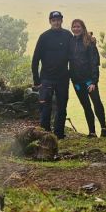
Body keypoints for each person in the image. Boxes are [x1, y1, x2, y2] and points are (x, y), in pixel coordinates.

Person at [31, 11, 72, 139]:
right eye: (54, 20)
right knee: (45, 107)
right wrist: (37, 80)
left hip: (63, 78)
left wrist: (90, 40)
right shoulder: (44, 37)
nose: (56, 22)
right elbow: (35, 59)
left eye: (58, 19)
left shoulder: (67, 35)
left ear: (62, 20)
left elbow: (78, 47)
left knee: (62, 107)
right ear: (50, 21)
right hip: (46, 78)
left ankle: (59, 134)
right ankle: (44, 133)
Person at [70, 18, 106, 138]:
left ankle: (103, 129)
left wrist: (94, 82)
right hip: (77, 81)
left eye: (78, 27)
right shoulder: (70, 42)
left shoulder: (89, 42)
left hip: (89, 81)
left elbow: (94, 62)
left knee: (97, 103)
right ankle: (92, 132)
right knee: (86, 106)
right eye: (74, 27)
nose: (76, 29)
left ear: (83, 28)